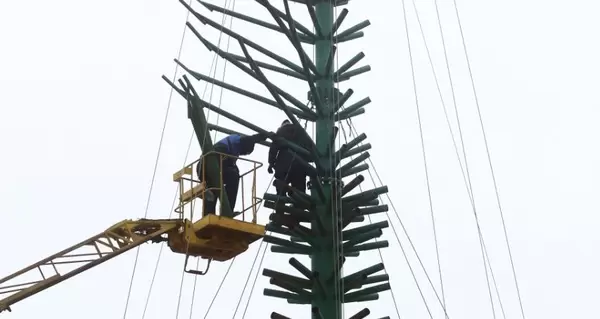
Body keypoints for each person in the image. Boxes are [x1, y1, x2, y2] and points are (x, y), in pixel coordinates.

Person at [197, 132, 267, 215]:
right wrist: (264, 135)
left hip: (204, 167)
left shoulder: (231, 146)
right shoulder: (235, 143)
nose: (242, 154)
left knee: (215, 186)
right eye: (245, 152)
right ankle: (226, 210)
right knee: (232, 177)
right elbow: (251, 139)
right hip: (208, 164)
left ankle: (210, 214)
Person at [268, 120, 308, 196]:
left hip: (283, 164)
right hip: (300, 165)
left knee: (280, 190)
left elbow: (274, 148)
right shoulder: (300, 131)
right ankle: (298, 204)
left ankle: (281, 203)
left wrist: (271, 163)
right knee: (299, 191)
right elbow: (308, 147)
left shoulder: (280, 131)